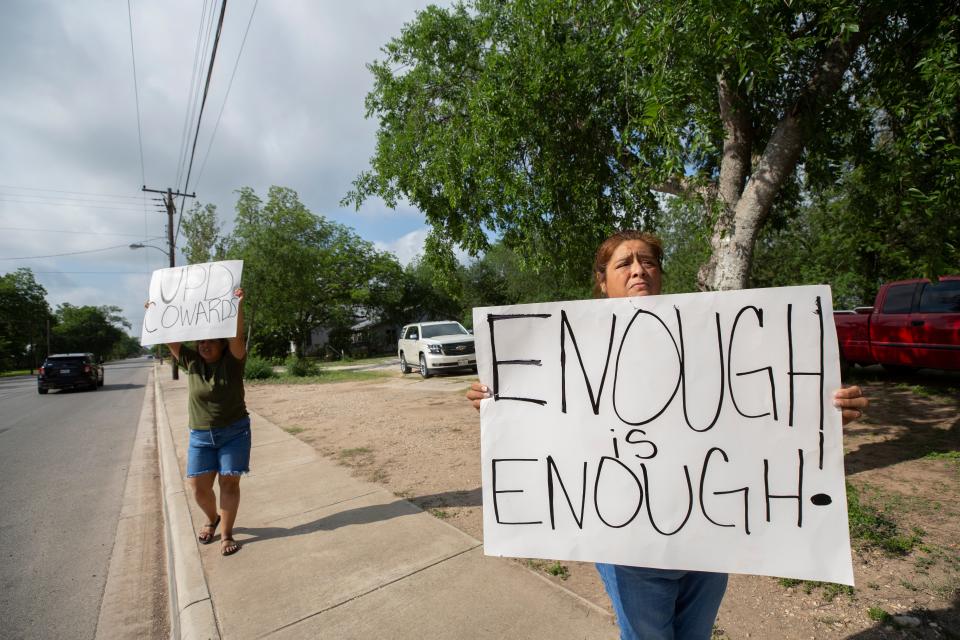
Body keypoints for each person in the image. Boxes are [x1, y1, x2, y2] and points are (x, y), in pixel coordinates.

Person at [466, 230, 868, 639]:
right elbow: (548, 424)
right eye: (624, 264)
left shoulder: (709, 339)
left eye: (649, 262)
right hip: (628, 543)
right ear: (602, 281)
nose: (639, 270)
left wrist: (822, 415)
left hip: (709, 532)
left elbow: (757, 414)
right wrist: (502, 408)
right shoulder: (567, 352)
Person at [148, 287, 250, 557]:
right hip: (201, 436)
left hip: (235, 432)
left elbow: (237, 336)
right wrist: (156, 313)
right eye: (200, 342)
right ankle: (212, 517)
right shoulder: (192, 361)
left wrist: (238, 305)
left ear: (222, 344)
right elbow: (171, 340)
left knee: (229, 484)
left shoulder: (234, 361)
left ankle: (226, 534)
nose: (204, 345)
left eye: (211, 341)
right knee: (198, 487)